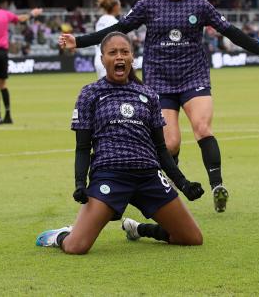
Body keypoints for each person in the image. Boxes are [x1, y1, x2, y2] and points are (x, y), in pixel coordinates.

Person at [58, 0, 259, 213]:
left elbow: (232, 32)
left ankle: (217, 187)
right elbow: (120, 28)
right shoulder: (149, 3)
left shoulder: (200, 5)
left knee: (202, 127)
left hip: (194, 76)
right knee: (171, 143)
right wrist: (79, 40)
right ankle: (170, 192)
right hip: (159, 80)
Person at [35, 32, 205, 254]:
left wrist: (183, 183)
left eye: (124, 52)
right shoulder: (90, 93)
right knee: (77, 247)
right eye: (112, 52)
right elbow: (83, 147)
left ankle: (139, 229)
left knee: (191, 237)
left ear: (132, 57)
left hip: (148, 176)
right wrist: (80, 183)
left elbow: (161, 149)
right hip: (110, 175)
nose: (119, 57)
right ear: (102, 58)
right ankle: (62, 235)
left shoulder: (148, 94)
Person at [93, 0, 122, 78]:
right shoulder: (114, 22)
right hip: (109, 59)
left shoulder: (100, 21)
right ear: (115, 7)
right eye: (119, 5)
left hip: (98, 59)